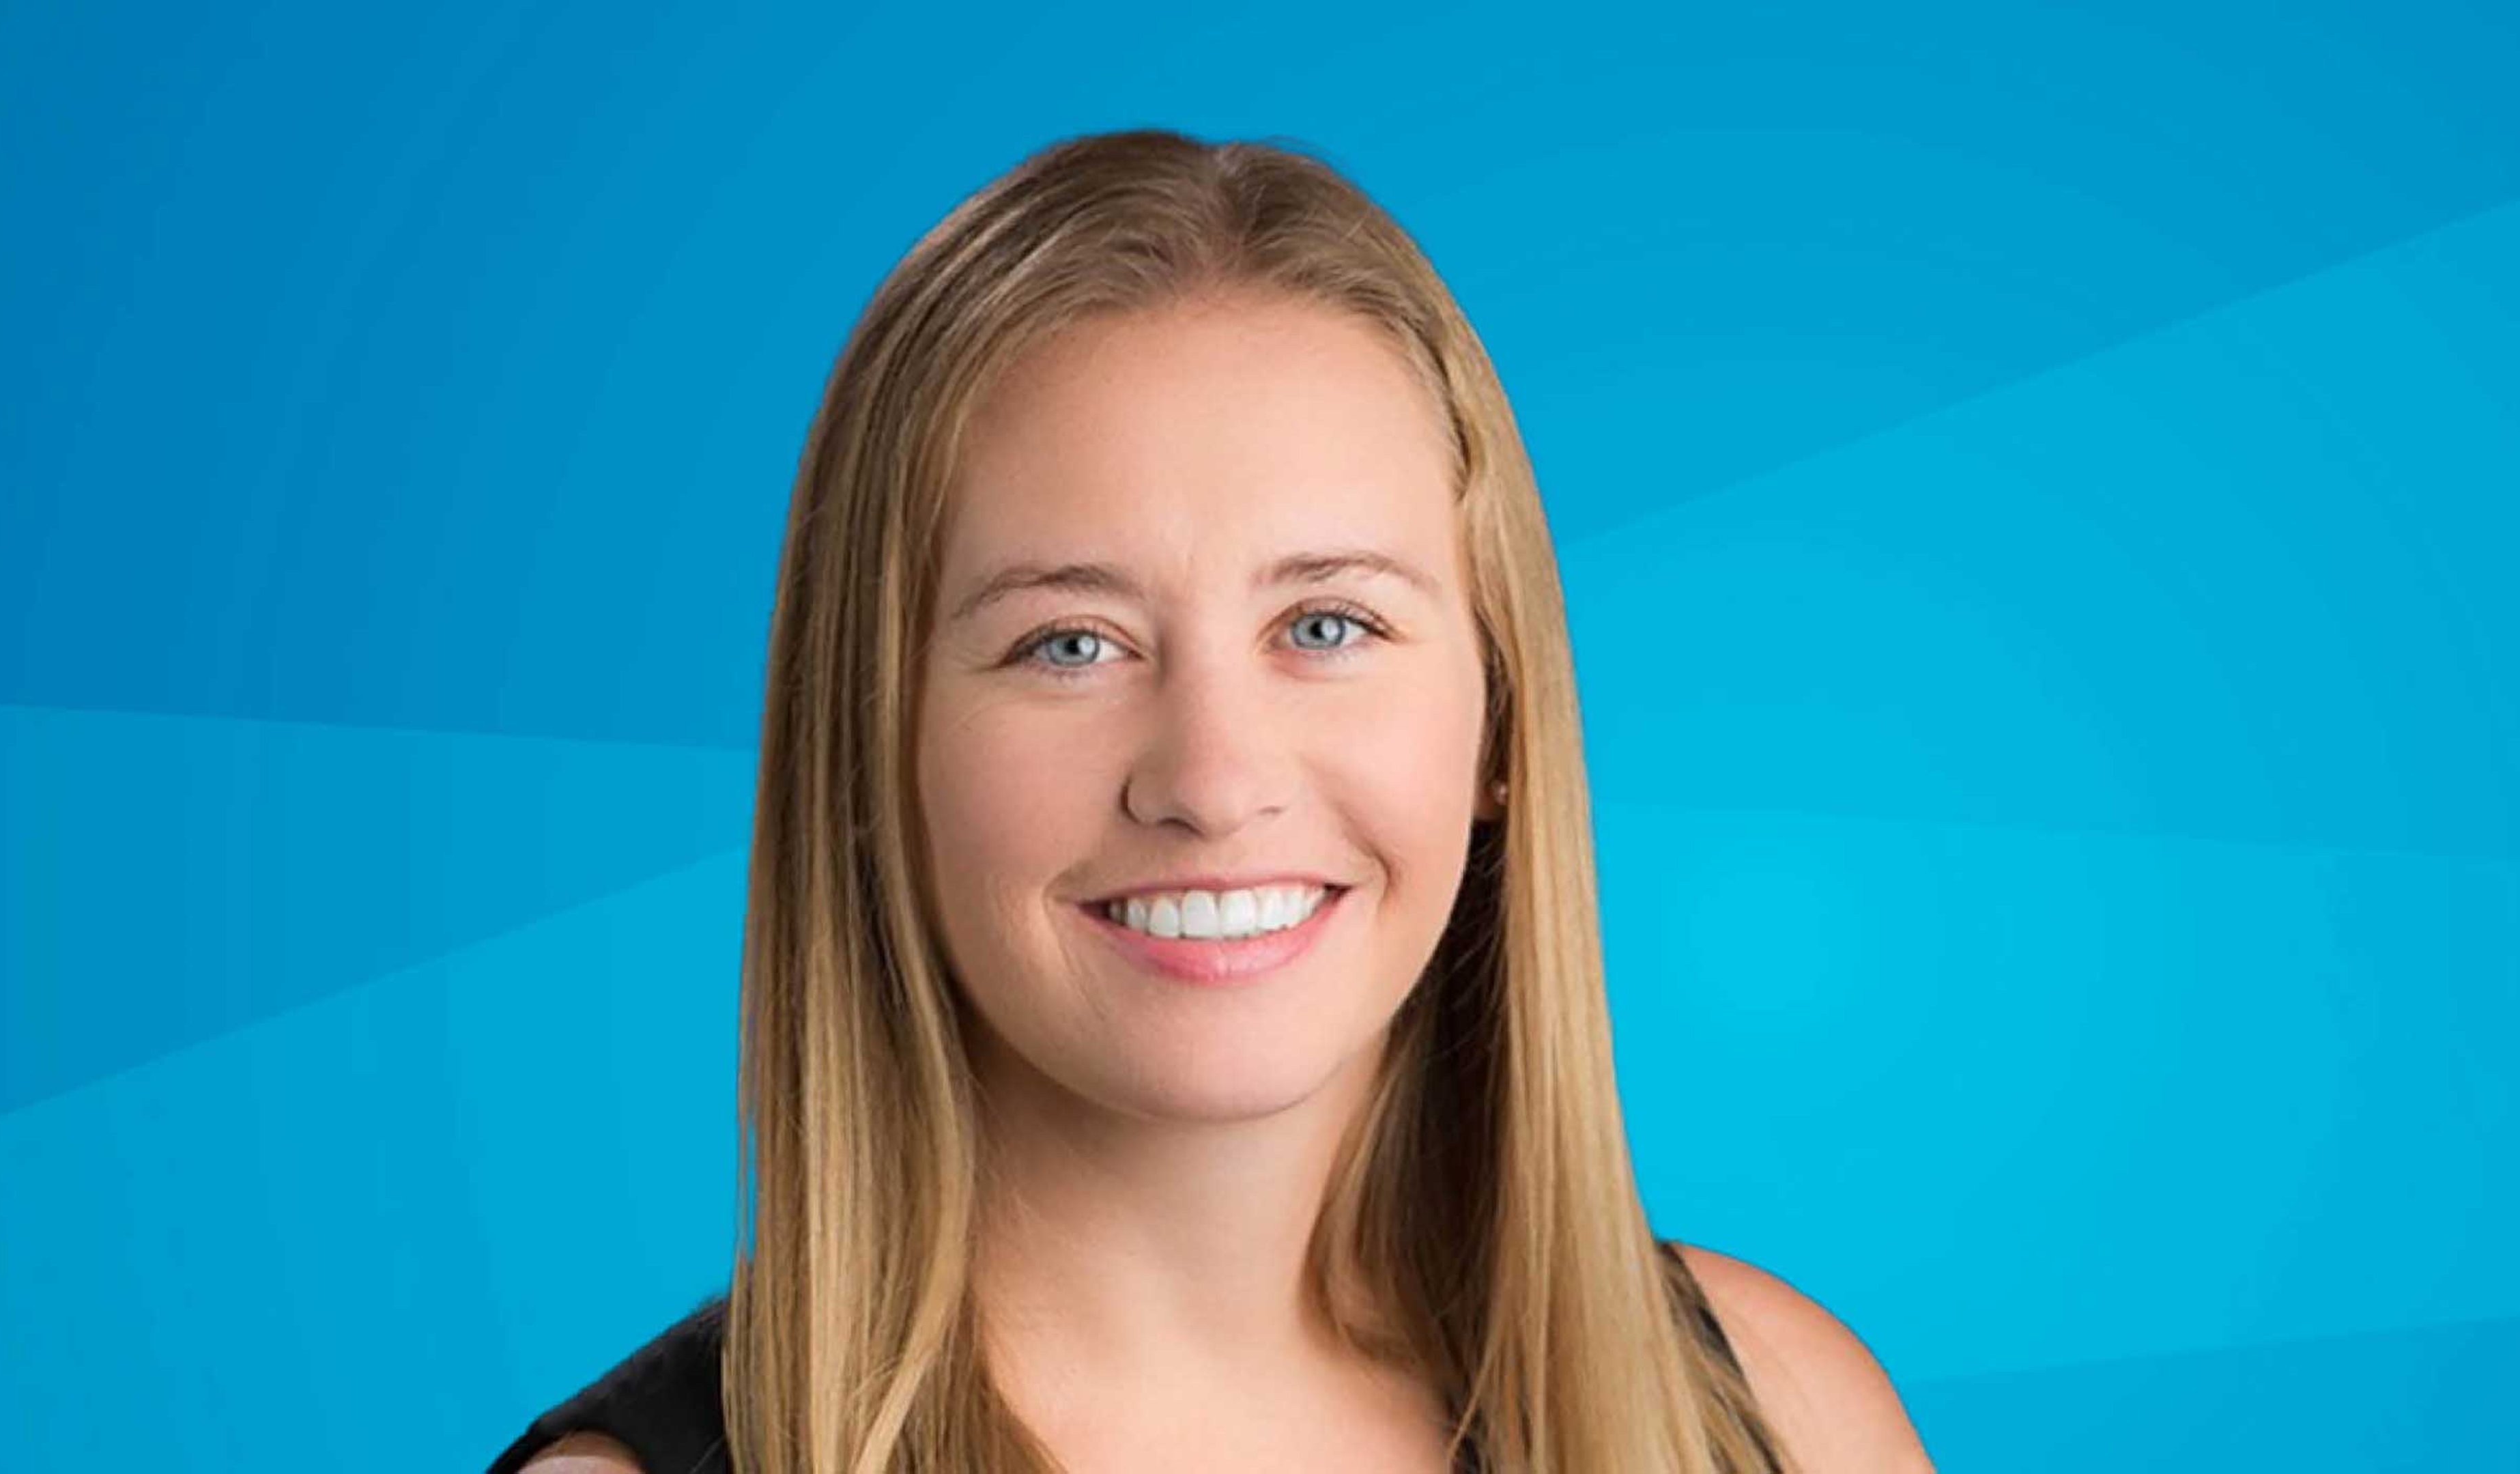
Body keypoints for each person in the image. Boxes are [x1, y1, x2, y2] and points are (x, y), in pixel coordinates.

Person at [488, 128, 1934, 1474]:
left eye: (1327, 626)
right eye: (1071, 645)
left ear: (1499, 716)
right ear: (870, 751)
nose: (1214, 782)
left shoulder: (1784, 1420)